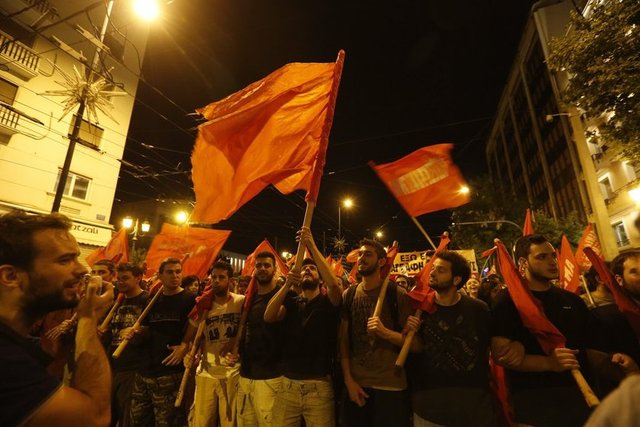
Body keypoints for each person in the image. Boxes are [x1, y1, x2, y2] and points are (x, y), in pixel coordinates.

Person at [0, 210, 114, 426]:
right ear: (11, 276)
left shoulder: (18, 346)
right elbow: (95, 417)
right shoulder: (5, 359)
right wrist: (88, 318)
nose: (82, 269)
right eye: (65, 260)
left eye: (76, 257)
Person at [491, 234, 599, 426]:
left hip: (581, 394)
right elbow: (503, 356)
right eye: (542, 257)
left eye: (552, 256)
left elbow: (590, 346)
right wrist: (548, 363)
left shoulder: (572, 300)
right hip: (535, 399)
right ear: (523, 263)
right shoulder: (508, 301)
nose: (551, 261)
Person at [406, 251, 497, 427]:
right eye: (433, 268)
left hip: (473, 408)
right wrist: (411, 331)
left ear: (456, 279)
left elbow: (489, 348)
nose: (432, 273)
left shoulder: (479, 309)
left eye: (440, 270)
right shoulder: (419, 309)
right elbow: (415, 349)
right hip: (429, 409)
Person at [264, 226, 342, 426]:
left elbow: (334, 285)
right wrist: (287, 284)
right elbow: (269, 316)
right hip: (288, 385)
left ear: (320, 278)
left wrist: (311, 245)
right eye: (304, 268)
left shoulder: (328, 302)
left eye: (313, 268)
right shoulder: (291, 302)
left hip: (318, 388)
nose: (307, 269)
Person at [340, 238, 412, 427]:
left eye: (368, 254)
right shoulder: (349, 294)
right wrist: (348, 380)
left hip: (390, 386)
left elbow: (415, 344)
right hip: (357, 385)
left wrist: (385, 332)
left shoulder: (397, 294)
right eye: (360, 254)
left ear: (381, 261)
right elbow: (343, 342)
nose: (361, 258)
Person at [128, 257, 195, 427]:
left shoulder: (190, 300)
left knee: (168, 422)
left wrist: (185, 346)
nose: (175, 275)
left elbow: (198, 330)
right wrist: (135, 332)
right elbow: (145, 329)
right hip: (145, 372)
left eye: (178, 272)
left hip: (170, 373)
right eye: (170, 272)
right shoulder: (151, 300)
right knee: (138, 421)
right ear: (160, 276)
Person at [184, 260, 244, 427]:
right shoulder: (203, 305)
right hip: (206, 372)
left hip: (232, 372)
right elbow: (190, 337)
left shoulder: (241, 302)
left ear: (230, 280)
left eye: (221, 277)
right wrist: (188, 352)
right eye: (214, 277)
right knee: (202, 421)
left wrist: (236, 347)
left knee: (230, 423)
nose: (217, 281)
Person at [237, 251, 286, 426]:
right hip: (246, 375)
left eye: (267, 265)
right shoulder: (250, 299)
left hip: (271, 377)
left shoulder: (284, 296)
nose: (262, 269)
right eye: (258, 265)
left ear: (275, 269)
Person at [106, 262, 149, 427]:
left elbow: (152, 331)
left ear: (138, 278)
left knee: (127, 416)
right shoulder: (118, 300)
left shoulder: (147, 300)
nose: (120, 282)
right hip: (113, 365)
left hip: (133, 368)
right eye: (118, 278)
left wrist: (138, 332)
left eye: (125, 278)